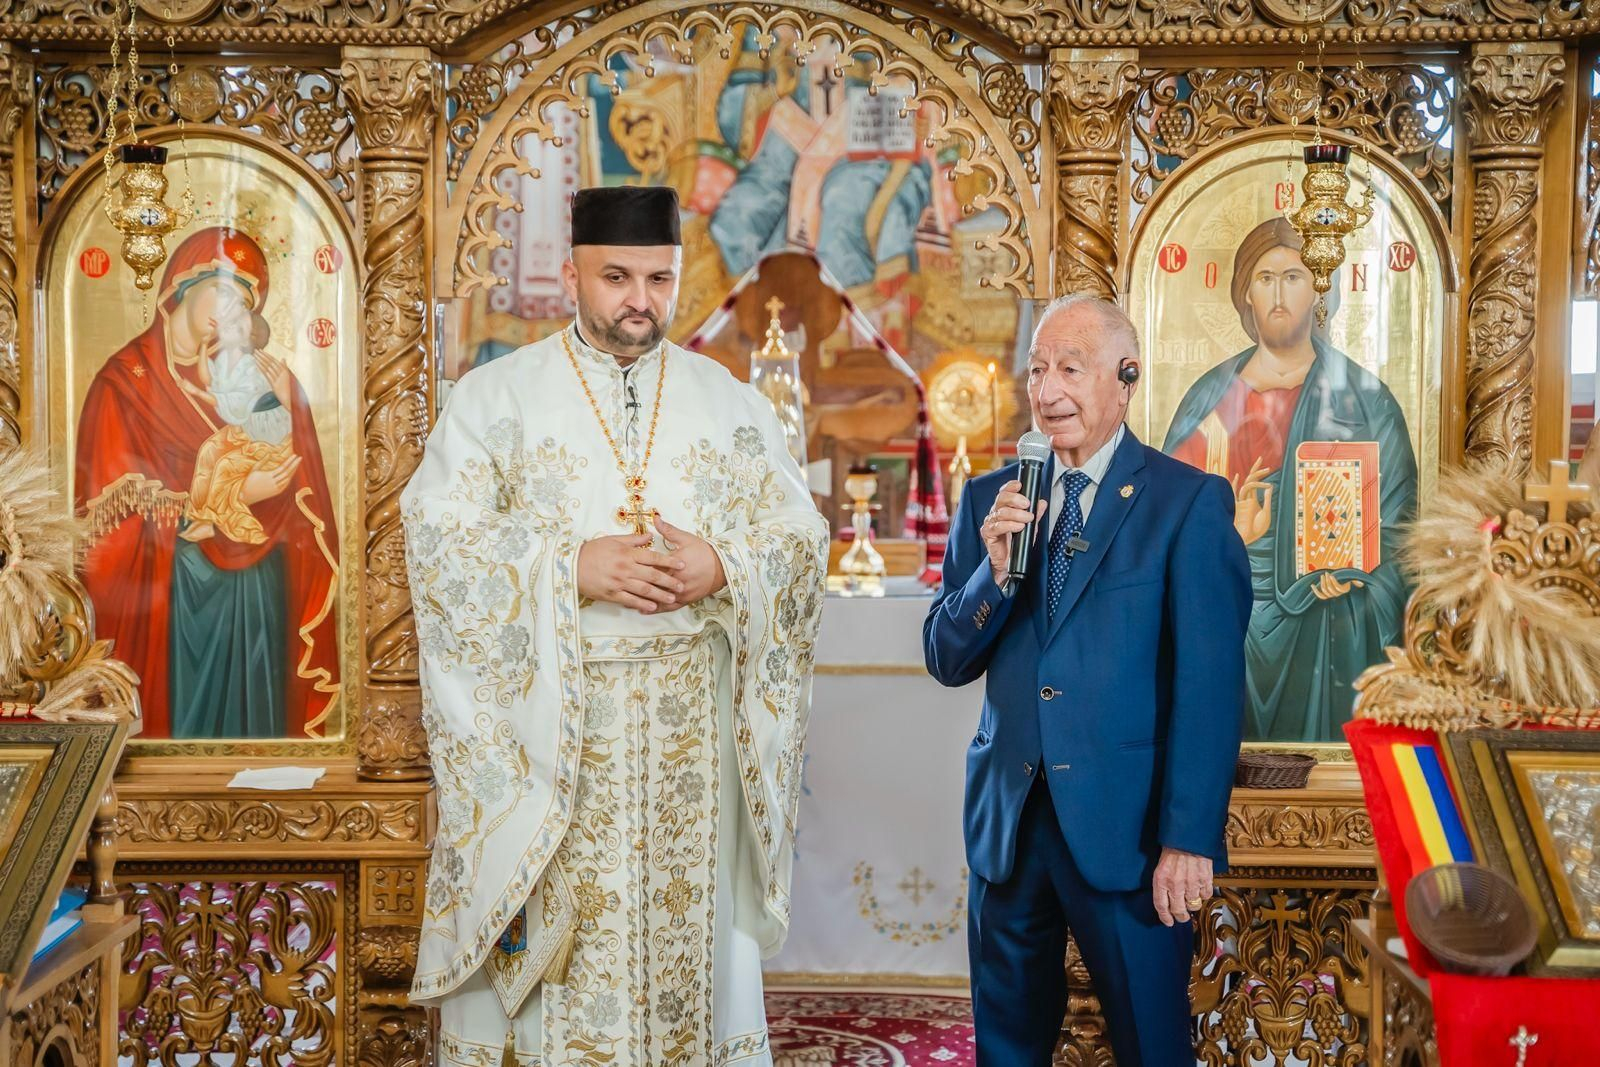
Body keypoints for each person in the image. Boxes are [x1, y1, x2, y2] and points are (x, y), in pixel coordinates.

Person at [403, 185, 828, 1067]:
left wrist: (725, 565)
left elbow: (797, 538)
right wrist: (568, 565)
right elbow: (439, 540)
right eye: (617, 277)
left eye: (660, 278)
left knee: (690, 978)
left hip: (692, 750)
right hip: (553, 746)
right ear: (570, 275)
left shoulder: (732, 404)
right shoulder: (495, 400)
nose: (641, 299)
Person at [924, 294, 1251, 1067]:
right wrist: (993, 576)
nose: (1048, 390)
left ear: (1126, 377)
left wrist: (1188, 837)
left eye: (1070, 368)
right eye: (1037, 369)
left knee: (1151, 1046)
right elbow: (945, 656)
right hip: (1008, 828)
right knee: (1006, 1050)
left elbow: (1210, 689)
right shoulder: (988, 499)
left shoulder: (1187, 504)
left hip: (1130, 837)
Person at [75, 225, 340, 740]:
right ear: (182, 284)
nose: (229, 311)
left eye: (242, 303)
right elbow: (109, 526)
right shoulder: (123, 382)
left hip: (255, 587)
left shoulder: (237, 380)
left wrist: (293, 403)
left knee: (255, 725)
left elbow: (286, 471)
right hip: (178, 592)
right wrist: (232, 497)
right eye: (221, 291)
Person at [1163, 217, 1418, 742]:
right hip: (1228, 612)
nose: (1279, 293)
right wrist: (1231, 539)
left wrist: (1355, 580)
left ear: (1320, 291)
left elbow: (1401, 539)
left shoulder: (1369, 404)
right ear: (1246, 296)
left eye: (1295, 276)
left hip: (1327, 626)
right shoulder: (1208, 402)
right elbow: (1163, 528)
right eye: (1264, 277)